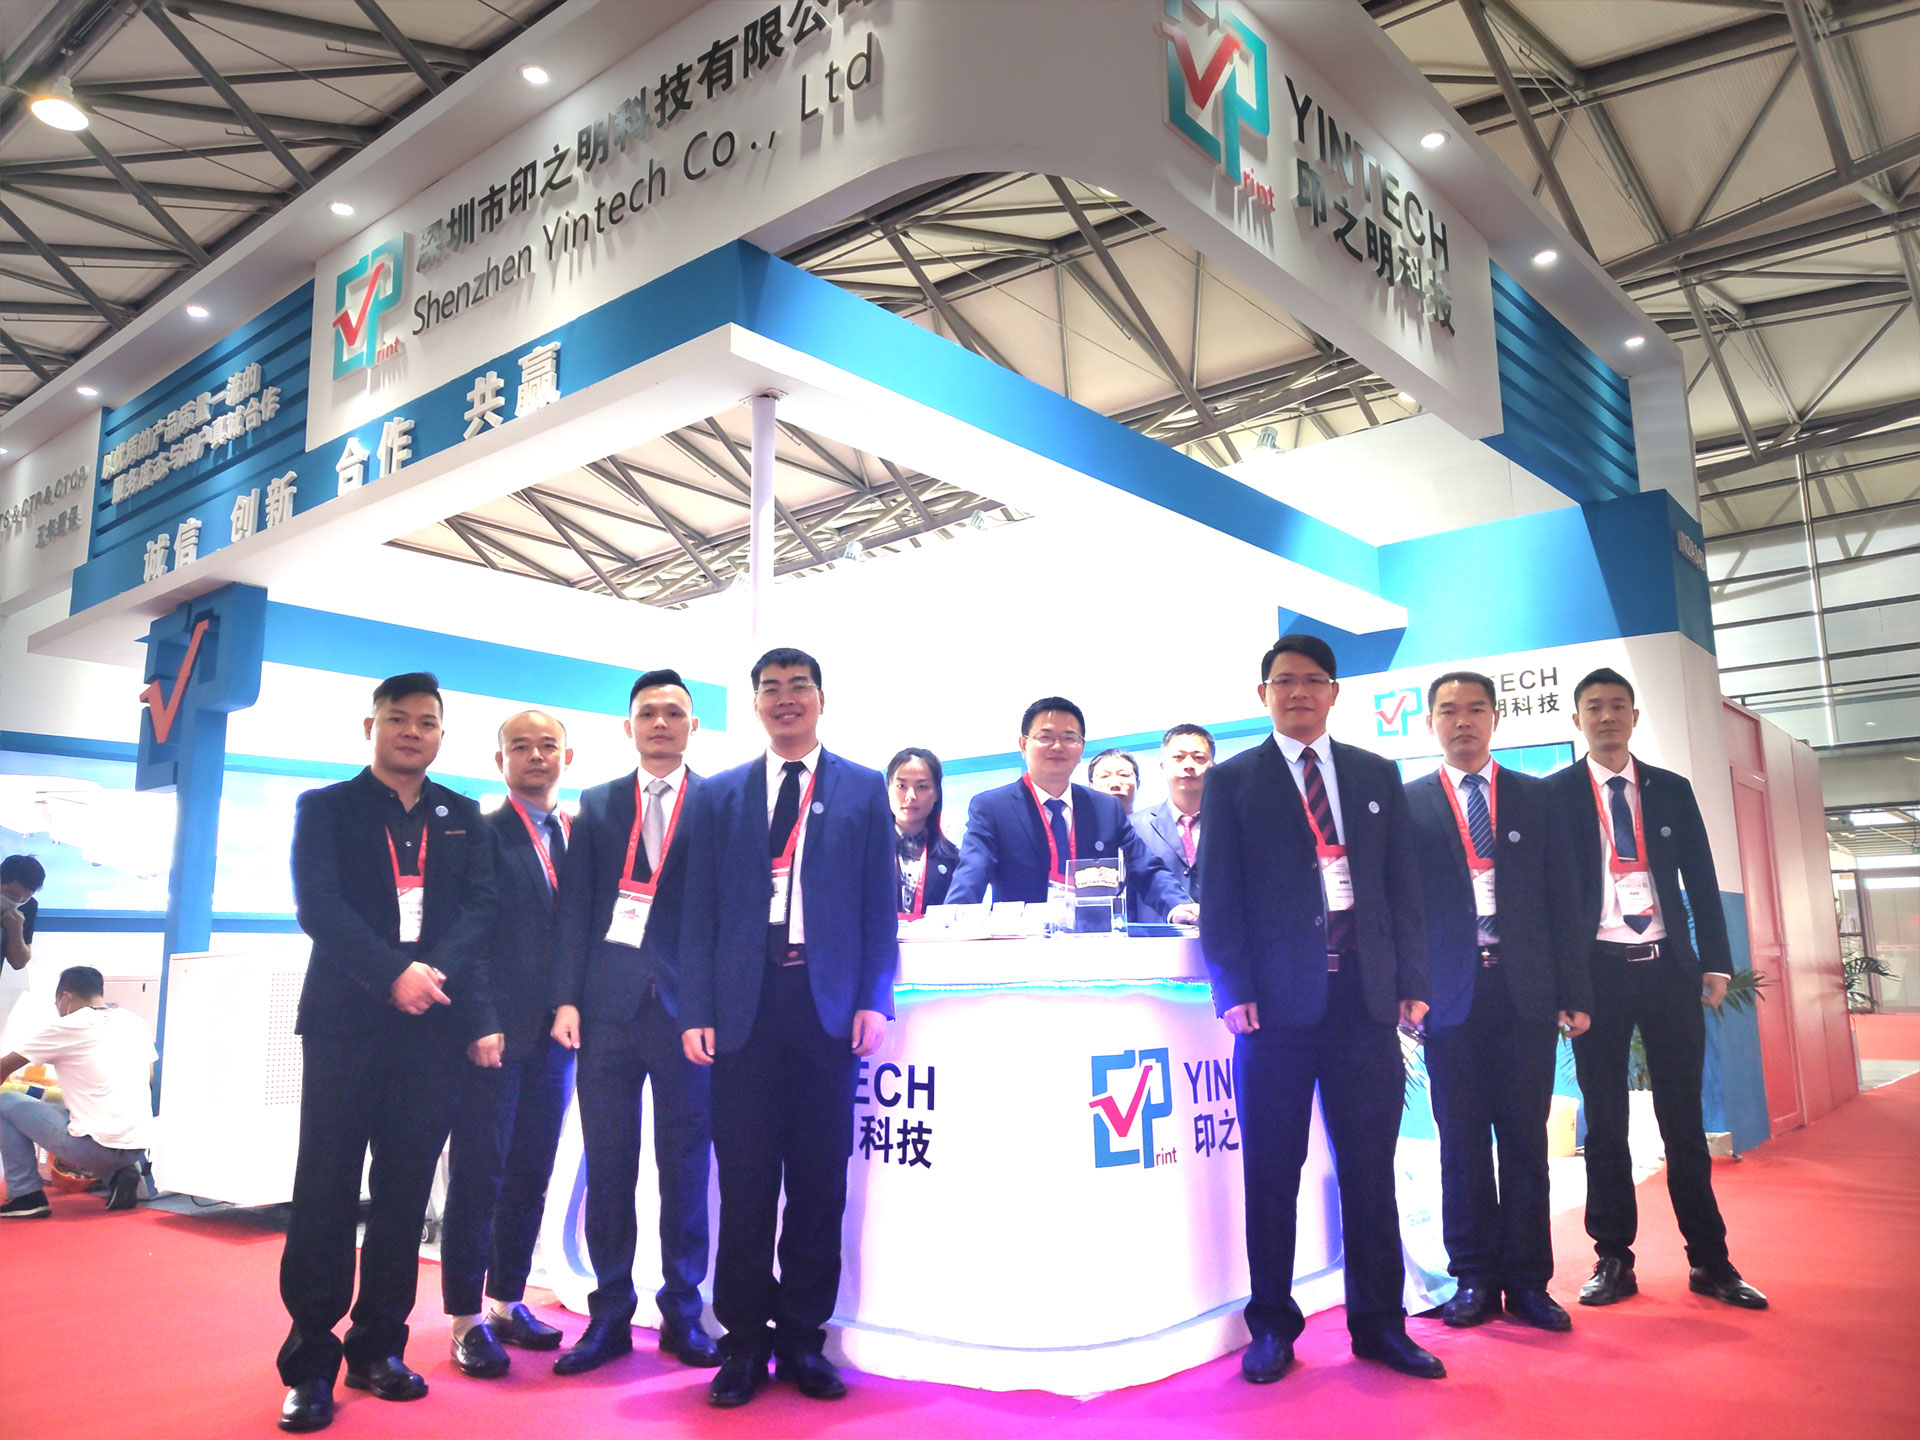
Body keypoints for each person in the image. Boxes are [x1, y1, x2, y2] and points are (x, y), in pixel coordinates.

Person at [1197, 634, 1441, 1384]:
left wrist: (1412, 977)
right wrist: (1232, 989)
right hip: (1272, 1011)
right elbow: (1219, 895)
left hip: (1364, 1003)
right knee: (1273, 1171)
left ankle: (1380, 1326)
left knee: (1369, 1169)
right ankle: (1272, 1326)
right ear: (1263, 694)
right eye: (1283, 682)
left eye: (1311, 680)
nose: (1297, 692)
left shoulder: (1374, 773)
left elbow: (1402, 887)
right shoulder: (1233, 781)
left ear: (1334, 691)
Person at [275, 673, 499, 1434]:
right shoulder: (327, 808)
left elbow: (480, 910)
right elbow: (319, 906)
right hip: (345, 1022)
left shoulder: (462, 817)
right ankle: (311, 1363)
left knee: (404, 1193)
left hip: (430, 1026)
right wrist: (389, 975)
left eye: (426, 722)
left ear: (441, 735)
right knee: (327, 1189)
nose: (412, 732)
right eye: (397, 719)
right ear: (369, 726)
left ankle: (378, 1348)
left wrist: (426, 976)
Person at [678, 647, 896, 1408]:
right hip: (743, 1011)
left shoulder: (862, 789)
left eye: (799, 686)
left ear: (821, 699)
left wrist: (873, 997)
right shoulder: (720, 795)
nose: (785, 698)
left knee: (817, 1183)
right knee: (743, 1185)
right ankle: (742, 1343)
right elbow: (697, 912)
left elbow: (878, 907)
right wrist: (697, 1009)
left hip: (825, 1008)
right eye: (770, 689)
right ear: (756, 706)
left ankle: (804, 1338)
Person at [1546, 667, 1767, 1312]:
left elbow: (1701, 875)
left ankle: (1710, 1261)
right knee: (1605, 1124)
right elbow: (1549, 897)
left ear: (1635, 717)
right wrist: (1563, 983)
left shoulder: (1671, 789)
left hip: (1668, 970)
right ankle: (1613, 1259)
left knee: (1683, 1123)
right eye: (1594, 707)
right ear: (1577, 719)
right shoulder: (1554, 795)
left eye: (1618, 705)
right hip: (1597, 975)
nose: (1607, 716)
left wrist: (1715, 962)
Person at [1404, 672, 1591, 1333]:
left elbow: (1566, 899)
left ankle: (1529, 1282)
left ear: (1495, 718)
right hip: (1448, 998)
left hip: (1524, 992)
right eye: (1448, 711)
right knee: (1459, 1143)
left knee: (1523, 1141)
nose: (1463, 721)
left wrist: (1574, 991)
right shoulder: (1409, 803)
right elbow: (1401, 908)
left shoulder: (1537, 799)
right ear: (1431, 722)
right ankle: (1474, 1277)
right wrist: (1409, 989)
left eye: (1476, 709)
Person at [550, 670, 718, 1374]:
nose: (660, 723)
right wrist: (566, 999)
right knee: (610, 1165)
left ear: (692, 726)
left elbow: (723, 916)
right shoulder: (596, 804)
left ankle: (683, 1313)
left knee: (684, 1168)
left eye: (673, 712)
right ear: (628, 726)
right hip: (606, 1013)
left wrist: (711, 1008)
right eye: (647, 712)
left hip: (686, 1018)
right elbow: (576, 910)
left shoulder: (718, 802)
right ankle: (609, 1315)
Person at [439, 710, 578, 1380]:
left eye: (547, 745)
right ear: (501, 762)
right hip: (493, 1036)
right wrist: (478, 1020)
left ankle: (507, 1300)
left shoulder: (574, 837)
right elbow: (466, 940)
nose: (535, 756)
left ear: (566, 757)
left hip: (556, 1038)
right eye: (520, 747)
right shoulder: (482, 833)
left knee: (531, 1171)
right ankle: (465, 1318)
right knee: (479, 1174)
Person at [947, 699, 1195, 924]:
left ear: (1081, 747)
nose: (1057, 746)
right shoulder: (992, 807)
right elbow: (971, 873)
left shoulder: (1105, 808)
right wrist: (951, 923)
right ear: (1024, 744)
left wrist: (1179, 906)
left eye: (1069, 738)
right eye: (1045, 737)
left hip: (1094, 942)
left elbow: (1145, 867)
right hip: (1021, 944)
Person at [0, 966, 152, 1217]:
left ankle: (26, 1195)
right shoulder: (134, 1022)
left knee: (4, 1103)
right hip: (137, 1145)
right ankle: (118, 1174)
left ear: (65, 997)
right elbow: (149, 1077)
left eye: (57, 1003)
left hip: (95, 1148)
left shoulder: (67, 1025)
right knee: (68, 1112)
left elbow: (3, 1069)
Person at [1129, 725, 1213, 922]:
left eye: (1199, 758)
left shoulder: (1231, 823)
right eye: (1178, 757)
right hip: (1156, 936)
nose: (1189, 765)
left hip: (1221, 934)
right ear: (1163, 765)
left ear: (1213, 766)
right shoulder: (1134, 826)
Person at [887, 747, 959, 919]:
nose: (910, 796)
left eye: (922, 786)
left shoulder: (953, 859)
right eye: (901, 786)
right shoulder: (864, 851)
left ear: (936, 794)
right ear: (888, 789)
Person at [0, 854, 45, 1038]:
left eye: (26, 896)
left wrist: (16, 929)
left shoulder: (28, 906)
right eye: (11, 894)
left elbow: (19, 962)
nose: (18, 900)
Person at [1086, 748, 1140, 813]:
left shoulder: (1148, 818)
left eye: (1123, 775)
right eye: (1104, 776)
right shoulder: (1077, 819)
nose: (1115, 784)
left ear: (1137, 784)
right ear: (1091, 787)